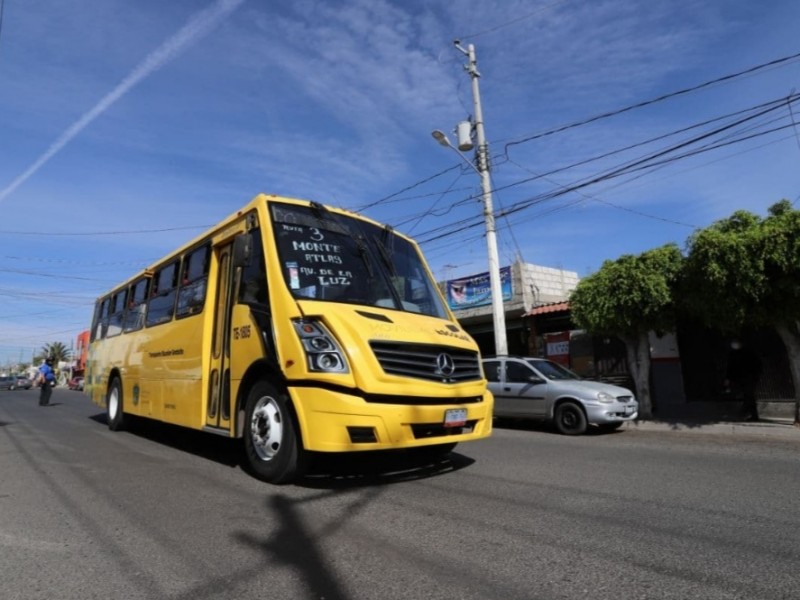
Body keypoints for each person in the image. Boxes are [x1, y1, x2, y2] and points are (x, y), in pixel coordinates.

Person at [725, 339, 761, 421]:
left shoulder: (746, 353)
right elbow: (731, 367)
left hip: (748, 378)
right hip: (745, 378)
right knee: (749, 397)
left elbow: (731, 367)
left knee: (749, 396)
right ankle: (753, 415)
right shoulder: (738, 354)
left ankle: (744, 413)